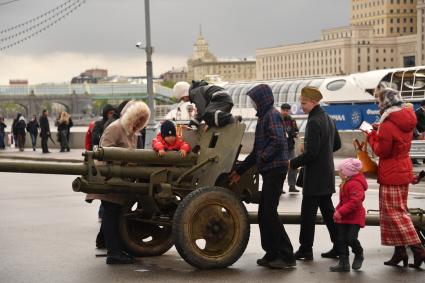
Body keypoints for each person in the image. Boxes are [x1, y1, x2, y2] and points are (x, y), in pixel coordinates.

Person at [229, 84, 295, 269]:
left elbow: (278, 141)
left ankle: (286, 255)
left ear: (262, 99)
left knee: (269, 213)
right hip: (271, 169)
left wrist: (262, 158)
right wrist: (239, 171)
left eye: (255, 100)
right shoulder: (264, 116)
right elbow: (257, 151)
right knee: (264, 214)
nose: (253, 104)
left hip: (275, 170)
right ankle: (272, 252)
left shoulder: (271, 115)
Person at [86, 101, 150, 265]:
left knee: (116, 216)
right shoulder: (116, 128)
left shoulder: (132, 132)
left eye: (142, 121)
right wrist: (124, 163)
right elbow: (104, 151)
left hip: (120, 181)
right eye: (138, 119)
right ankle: (114, 253)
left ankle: (116, 249)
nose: (139, 124)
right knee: (111, 216)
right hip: (108, 179)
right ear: (132, 116)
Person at [366, 88, 425, 269]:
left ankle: (418, 249)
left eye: (379, 102)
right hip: (403, 169)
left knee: (395, 215)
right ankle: (399, 252)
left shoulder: (388, 123)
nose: (377, 105)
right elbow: (395, 141)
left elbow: (382, 151)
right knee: (396, 213)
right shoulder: (405, 118)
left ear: (385, 104)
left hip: (391, 172)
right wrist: (379, 132)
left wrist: (370, 136)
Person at [289, 86, 341, 261]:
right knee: (328, 213)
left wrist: (292, 163)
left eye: (304, 103)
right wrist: (323, 151)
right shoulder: (328, 118)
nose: (301, 106)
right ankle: (340, 246)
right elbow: (337, 144)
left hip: (315, 177)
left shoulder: (313, 121)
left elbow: (311, 154)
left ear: (313, 102)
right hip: (326, 174)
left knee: (308, 216)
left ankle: (305, 249)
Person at [330, 158, 367, 272]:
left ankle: (359, 253)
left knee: (350, 239)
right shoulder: (346, 182)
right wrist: (338, 211)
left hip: (354, 217)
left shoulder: (355, 184)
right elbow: (343, 202)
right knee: (340, 240)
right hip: (343, 217)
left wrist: (340, 212)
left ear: (347, 173)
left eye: (341, 171)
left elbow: (355, 202)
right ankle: (343, 263)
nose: (339, 173)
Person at [173, 80, 239, 129]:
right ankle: (230, 119)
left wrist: (208, 123)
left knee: (208, 115)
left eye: (182, 98)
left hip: (219, 97)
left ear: (185, 94)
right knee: (211, 117)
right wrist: (191, 125)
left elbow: (202, 111)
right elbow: (200, 113)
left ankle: (231, 119)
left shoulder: (195, 93)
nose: (184, 101)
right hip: (224, 98)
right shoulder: (197, 91)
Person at [280, 103, 299, 193]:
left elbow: (296, 131)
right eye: (284, 110)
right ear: (281, 110)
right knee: (281, 167)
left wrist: (293, 134)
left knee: (293, 166)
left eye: (287, 110)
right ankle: (279, 187)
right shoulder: (278, 119)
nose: (285, 112)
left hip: (290, 146)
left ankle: (292, 186)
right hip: (280, 148)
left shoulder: (292, 120)